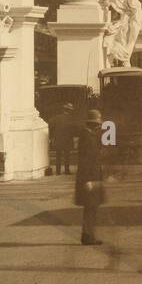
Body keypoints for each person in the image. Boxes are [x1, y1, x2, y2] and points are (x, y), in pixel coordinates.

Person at [75, 109, 105, 246]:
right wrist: (88, 181)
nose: (99, 126)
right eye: (97, 124)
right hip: (89, 178)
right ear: (92, 124)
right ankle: (88, 237)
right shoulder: (87, 137)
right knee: (90, 207)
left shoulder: (89, 135)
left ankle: (87, 235)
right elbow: (86, 160)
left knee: (91, 207)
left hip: (92, 176)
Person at [49, 102, 77, 176]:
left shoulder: (57, 117)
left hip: (58, 140)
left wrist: (52, 137)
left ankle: (58, 171)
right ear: (69, 111)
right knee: (67, 156)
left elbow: (51, 126)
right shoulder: (71, 119)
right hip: (67, 140)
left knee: (58, 156)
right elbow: (73, 130)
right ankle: (66, 170)